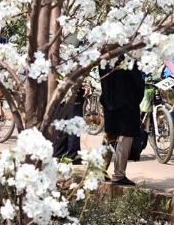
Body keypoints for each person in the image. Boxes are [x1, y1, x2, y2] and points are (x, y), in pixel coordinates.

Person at [99, 57, 145, 186]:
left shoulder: (105, 57)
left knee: (110, 134)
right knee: (126, 135)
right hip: (127, 102)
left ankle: (99, 169)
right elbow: (137, 82)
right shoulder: (129, 57)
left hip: (109, 101)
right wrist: (137, 99)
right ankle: (119, 174)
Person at [53, 86, 89, 165]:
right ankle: (72, 157)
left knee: (61, 122)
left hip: (60, 88)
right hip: (74, 89)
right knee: (73, 123)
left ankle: (58, 154)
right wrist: (85, 84)